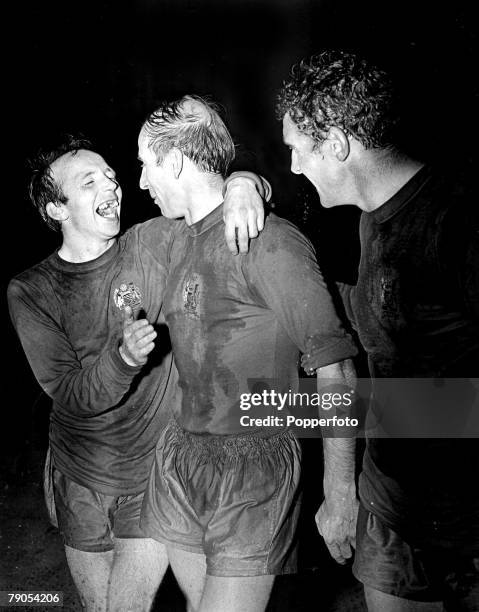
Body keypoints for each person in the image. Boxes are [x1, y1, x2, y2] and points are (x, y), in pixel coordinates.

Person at [7, 135, 267, 612]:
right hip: (79, 474)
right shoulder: (31, 290)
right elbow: (69, 391)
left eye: (110, 174)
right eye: (89, 182)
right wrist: (123, 358)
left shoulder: (151, 241)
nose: (112, 184)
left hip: (151, 474)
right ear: (57, 209)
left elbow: (207, 208)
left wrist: (247, 184)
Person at [138, 95, 358, 612]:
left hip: (254, 467)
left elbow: (337, 367)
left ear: (173, 161)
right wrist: (246, 178)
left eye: (146, 166)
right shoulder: (172, 238)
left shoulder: (271, 242)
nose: (142, 182)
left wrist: (341, 492)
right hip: (182, 456)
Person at [276, 50, 479, 611]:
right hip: (393, 504)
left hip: (463, 517)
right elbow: (393, 320)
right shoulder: (372, 218)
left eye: (297, 150)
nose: (293, 167)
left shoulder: (456, 219)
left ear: (337, 145)